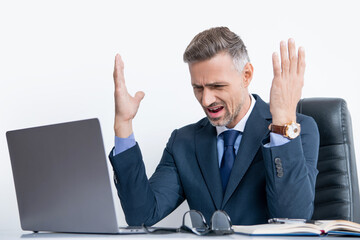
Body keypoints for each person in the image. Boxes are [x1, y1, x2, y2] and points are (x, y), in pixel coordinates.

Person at [108, 27, 319, 226]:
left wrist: (281, 124)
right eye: (198, 88)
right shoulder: (183, 142)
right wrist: (123, 125)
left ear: (246, 75)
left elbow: (293, 220)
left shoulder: (298, 130)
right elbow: (141, 216)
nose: (206, 100)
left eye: (217, 86)